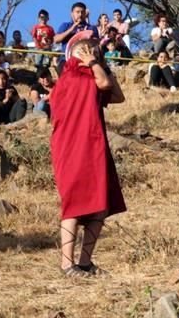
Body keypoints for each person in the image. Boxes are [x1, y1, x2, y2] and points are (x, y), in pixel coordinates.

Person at [48, 36, 125, 278]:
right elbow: (103, 84)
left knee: (100, 205)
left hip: (92, 145)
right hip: (71, 148)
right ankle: (66, 264)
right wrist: (94, 64)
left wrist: (100, 64)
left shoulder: (92, 75)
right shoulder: (70, 78)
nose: (90, 52)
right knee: (74, 205)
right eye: (84, 49)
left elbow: (117, 96)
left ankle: (84, 262)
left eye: (94, 49)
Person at [54, 2, 99, 67]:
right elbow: (56, 40)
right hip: (67, 59)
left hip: (85, 61)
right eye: (77, 12)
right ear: (72, 14)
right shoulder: (65, 25)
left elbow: (97, 44)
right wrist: (70, 30)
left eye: (82, 12)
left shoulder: (91, 28)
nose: (80, 14)